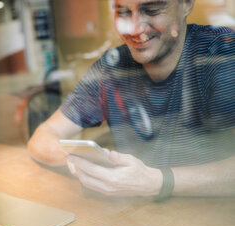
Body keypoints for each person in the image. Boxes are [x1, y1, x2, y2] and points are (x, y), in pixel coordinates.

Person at [27, 0, 235, 200]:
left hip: (209, 221)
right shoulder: (111, 68)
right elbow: (43, 136)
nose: (135, 29)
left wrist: (157, 182)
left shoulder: (220, 54)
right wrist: (90, 164)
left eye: (152, 10)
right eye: (124, 12)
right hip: (135, 214)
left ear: (186, 4)